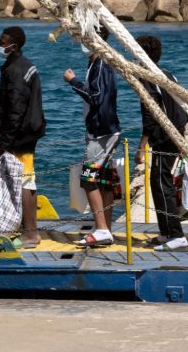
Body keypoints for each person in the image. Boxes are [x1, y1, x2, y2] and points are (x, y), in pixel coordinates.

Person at [64, 25, 120, 248]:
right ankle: (104, 227)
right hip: (103, 131)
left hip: (101, 133)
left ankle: (102, 229)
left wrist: (73, 81)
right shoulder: (96, 63)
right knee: (104, 181)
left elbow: (95, 97)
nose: (82, 42)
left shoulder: (101, 65)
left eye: (86, 38)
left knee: (88, 178)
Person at [134, 35, 188, 252]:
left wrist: (142, 146)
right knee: (157, 182)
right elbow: (182, 107)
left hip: (165, 138)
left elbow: (151, 115)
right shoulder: (168, 75)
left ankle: (177, 235)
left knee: (162, 184)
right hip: (173, 136)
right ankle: (166, 232)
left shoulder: (149, 79)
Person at [0, 26, 46, 248]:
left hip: (20, 136)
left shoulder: (15, 71)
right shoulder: (26, 65)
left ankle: (30, 233)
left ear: (13, 45)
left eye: (2, 41)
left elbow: (15, 111)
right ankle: (29, 229)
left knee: (25, 182)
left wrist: (3, 143)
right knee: (29, 180)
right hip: (30, 131)